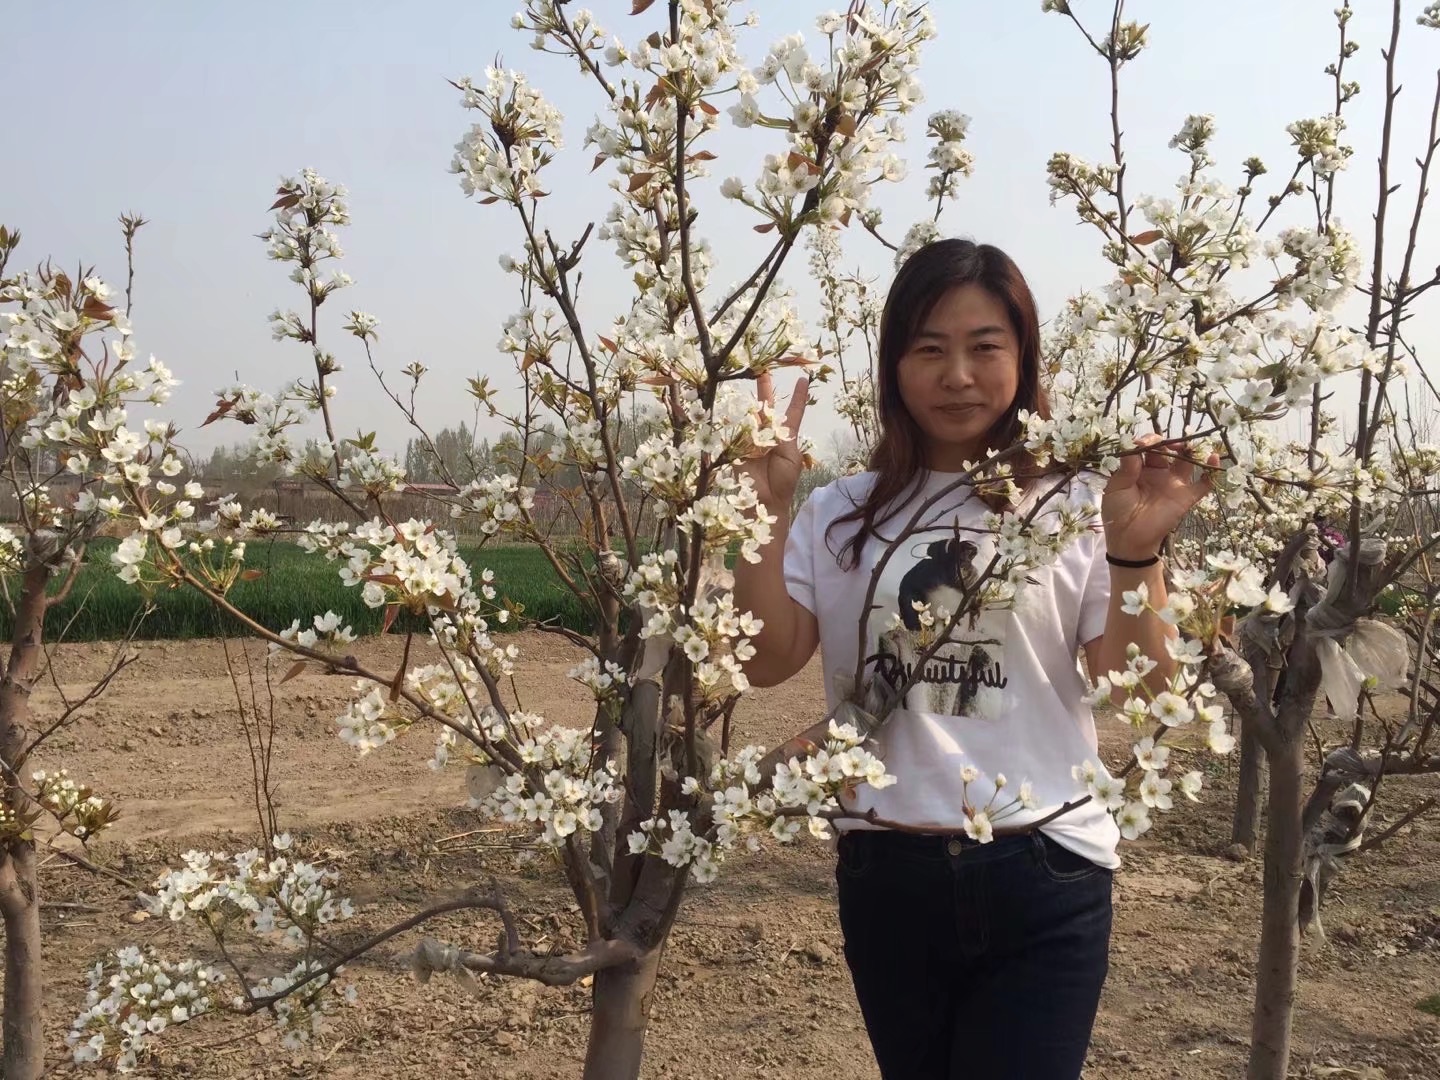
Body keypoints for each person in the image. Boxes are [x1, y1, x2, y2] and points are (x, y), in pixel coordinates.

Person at [733, 239, 1214, 1080]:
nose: (958, 374)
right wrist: (759, 511)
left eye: (985, 346)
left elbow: (1138, 693)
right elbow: (769, 660)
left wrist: (1137, 552)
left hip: (1045, 870)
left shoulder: (1077, 503)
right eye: (929, 349)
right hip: (887, 873)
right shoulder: (838, 512)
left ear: (1024, 359)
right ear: (892, 367)